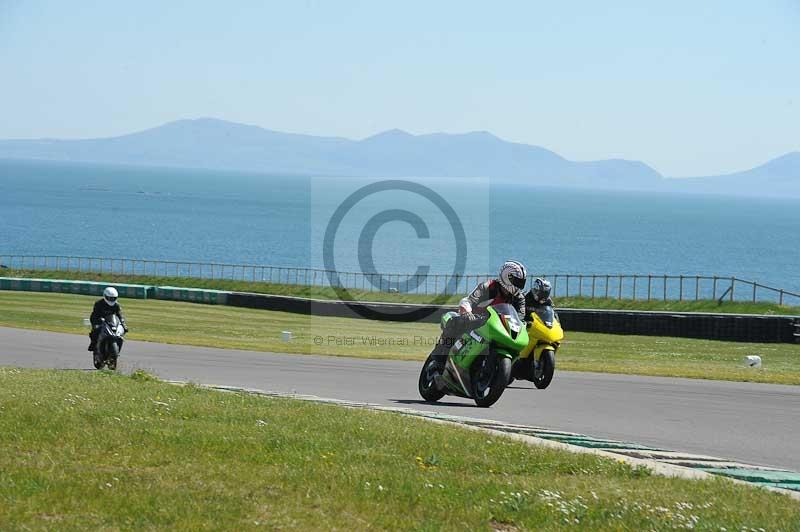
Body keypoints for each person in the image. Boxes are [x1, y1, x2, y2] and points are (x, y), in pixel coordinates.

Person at [430, 260, 527, 369]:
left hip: (499, 327)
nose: (519, 286)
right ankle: (439, 356)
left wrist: (523, 325)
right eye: (518, 282)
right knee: (454, 322)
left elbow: (520, 317)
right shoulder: (489, 287)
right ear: (507, 277)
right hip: (476, 321)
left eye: (521, 283)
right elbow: (468, 301)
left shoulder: (519, 298)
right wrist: (467, 313)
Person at [88, 287, 127, 351]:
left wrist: (123, 324)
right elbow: (95, 314)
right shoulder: (99, 303)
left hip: (111, 322)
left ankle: (117, 348)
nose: (111, 300)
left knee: (120, 334)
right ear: (105, 296)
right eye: (110, 298)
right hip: (99, 320)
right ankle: (93, 344)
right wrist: (97, 321)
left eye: (113, 298)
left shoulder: (117, 305)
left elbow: (120, 315)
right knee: (95, 331)